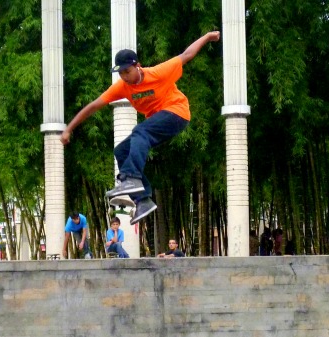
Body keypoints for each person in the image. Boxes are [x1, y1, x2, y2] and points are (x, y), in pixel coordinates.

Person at [60, 31, 221, 225]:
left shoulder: (158, 72)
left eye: (127, 72)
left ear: (138, 66)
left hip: (177, 113)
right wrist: (69, 128)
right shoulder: (122, 87)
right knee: (121, 150)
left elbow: (187, 55)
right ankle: (143, 200)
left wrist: (208, 36)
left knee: (140, 131)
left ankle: (132, 177)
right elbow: (94, 105)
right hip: (159, 123)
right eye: (121, 73)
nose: (125, 77)